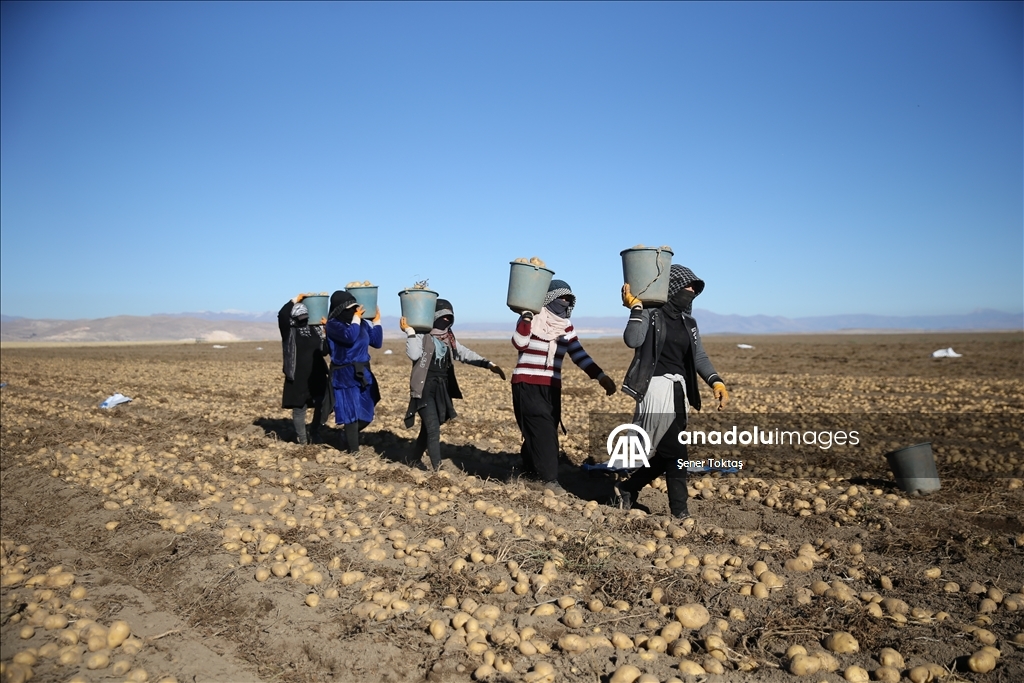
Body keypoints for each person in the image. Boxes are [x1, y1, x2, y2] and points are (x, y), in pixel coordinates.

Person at [614, 265, 730, 519]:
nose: (691, 292)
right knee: (677, 452)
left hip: (680, 393)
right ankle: (680, 512)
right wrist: (636, 308)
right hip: (655, 391)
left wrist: (716, 382)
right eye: (687, 286)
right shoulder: (651, 313)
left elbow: (698, 355)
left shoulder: (689, 323)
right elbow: (632, 340)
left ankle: (628, 487)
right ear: (672, 287)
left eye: (695, 289)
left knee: (666, 452)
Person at [511, 280, 618, 493]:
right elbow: (519, 343)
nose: (565, 301)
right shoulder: (532, 318)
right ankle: (549, 480)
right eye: (561, 297)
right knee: (544, 430)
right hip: (527, 384)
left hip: (551, 387)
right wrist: (525, 317)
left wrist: (601, 376)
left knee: (545, 428)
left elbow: (578, 354)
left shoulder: (566, 326)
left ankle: (529, 470)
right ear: (548, 297)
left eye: (569, 298)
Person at [402, 299, 506, 471]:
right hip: (424, 389)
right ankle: (438, 469)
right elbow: (413, 354)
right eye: (442, 317)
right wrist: (410, 331)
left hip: (441, 389)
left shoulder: (448, 338)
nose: (446, 321)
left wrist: (488, 364)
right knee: (433, 428)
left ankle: (414, 459)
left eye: (449, 318)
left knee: (428, 428)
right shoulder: (422, 335)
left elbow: (464, 353)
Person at [325, 290, 383, 453]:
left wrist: (376, 322)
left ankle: (347, 436)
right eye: (350, 308)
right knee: (350, 414)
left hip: (363, 372)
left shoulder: (362, 323)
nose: (353, 311)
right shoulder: (333, 325)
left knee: (367, 413)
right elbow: (349, 336)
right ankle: (354, 451)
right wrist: (357, 318)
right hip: (344, 375)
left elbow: (377, 342)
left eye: (355, 308)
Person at [278, 296, 329, 445]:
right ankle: (302, 439)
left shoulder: (315, 328)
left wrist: (327, 334)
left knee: (321, 404)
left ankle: (315, 431)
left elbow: (324, 351)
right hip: (298, 375)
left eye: (305, 316)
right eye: (299, 317)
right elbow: (282, 315)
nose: (303, 319)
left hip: (317, 374)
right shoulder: (289, 331)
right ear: (293, 317)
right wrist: (294, 300)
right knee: (300, 408)